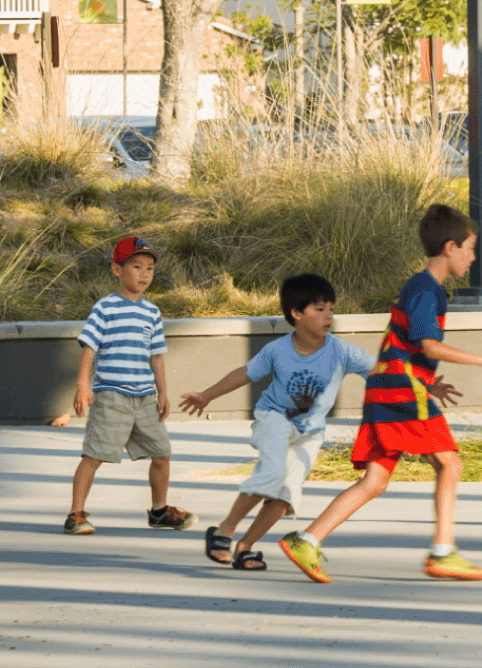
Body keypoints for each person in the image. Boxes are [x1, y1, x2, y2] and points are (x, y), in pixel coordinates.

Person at [278, 204, 482, 584]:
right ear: (450, 247)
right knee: (450, 464)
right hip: (401, 394)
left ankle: (307, 540)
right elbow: (428, 346)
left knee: (375, 481)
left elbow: (402, 345)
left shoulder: (421, 287)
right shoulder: (427, 290)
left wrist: (428, 382)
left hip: (391, 388)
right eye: (470, 249)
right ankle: (443, 552)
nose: (473, 258)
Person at [179, 273, 417, 571]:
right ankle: (225, 530)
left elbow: (380, 372)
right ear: (296, 313)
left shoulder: (340, 350)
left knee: (285, 497)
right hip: (274, 418)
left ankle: (245, 547)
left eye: (331, 308)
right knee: (273, 473)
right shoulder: (278, 350)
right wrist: (207, 395)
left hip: (310, 433)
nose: (328, 315)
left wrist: (420, 389)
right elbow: (244, 373)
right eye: (319, 309)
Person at [65, 236, 195, 535]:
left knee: (162, 454)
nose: (144, 274)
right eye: (136, 266)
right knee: (94, 455)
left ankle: (159, 512)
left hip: (145, 397)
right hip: (111, 394)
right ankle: (75, 514)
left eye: (149, 268)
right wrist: (83, 385)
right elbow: (89, 347)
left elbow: (157, 355)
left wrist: (162, 391)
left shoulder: (152, 312)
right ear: (117, 269)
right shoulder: (105, 307)